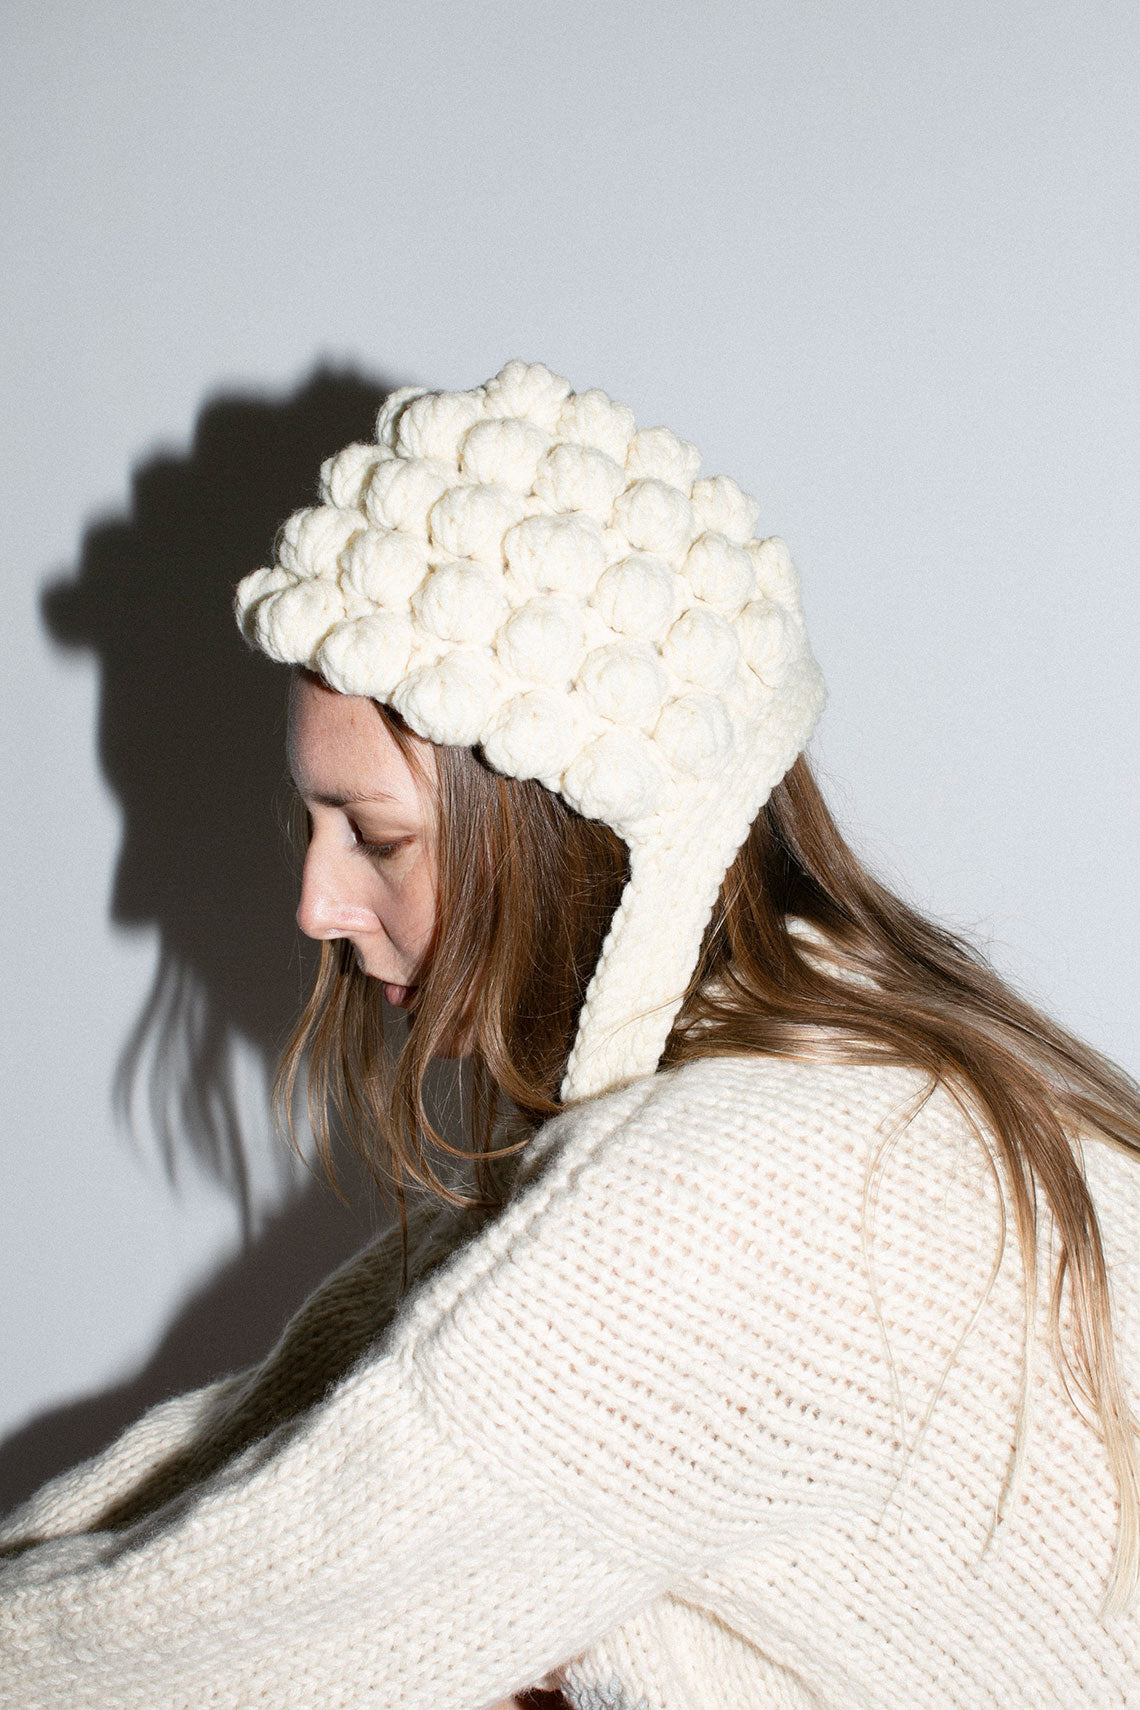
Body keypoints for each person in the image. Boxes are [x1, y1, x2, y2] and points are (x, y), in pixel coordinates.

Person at [1, 358, 1139, 1708]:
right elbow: (273, 1440)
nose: (315, 903)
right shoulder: (857, 1072)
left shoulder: (719, 1199)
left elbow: (193, 1639)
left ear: (572, 836)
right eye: (312, 826)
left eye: (377, 838)